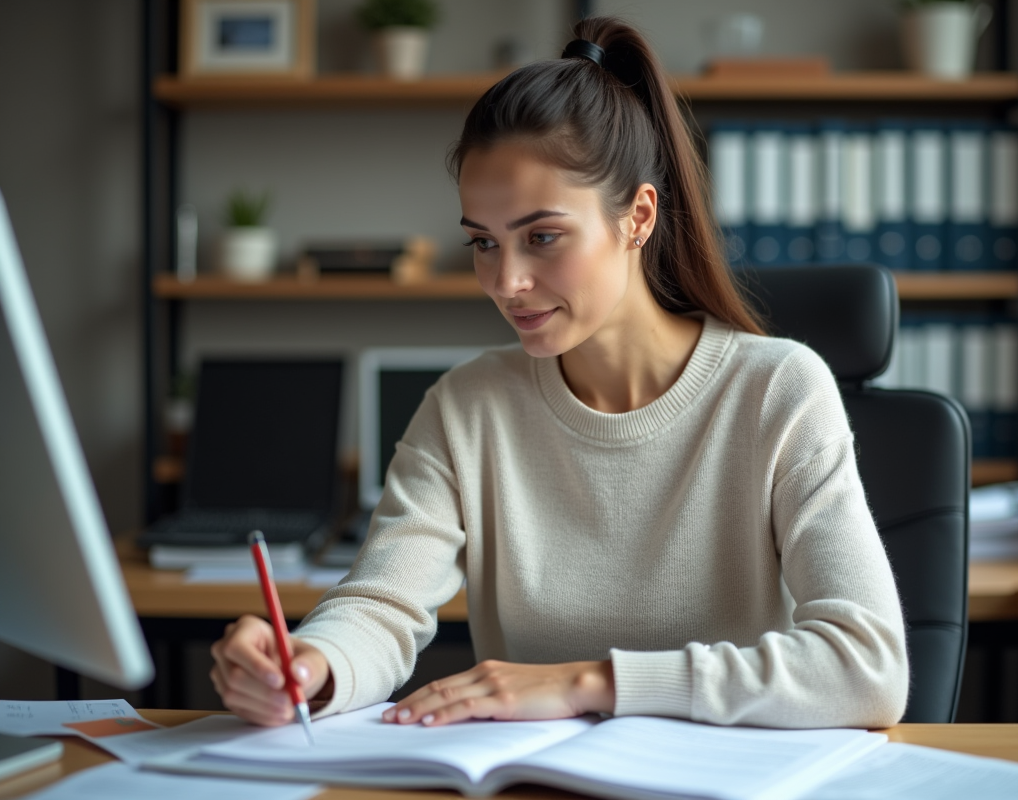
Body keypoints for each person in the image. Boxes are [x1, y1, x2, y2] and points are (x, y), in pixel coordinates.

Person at [210, 15, 908, 731]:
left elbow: (868, 667)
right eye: (484, 242)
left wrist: (590, 682)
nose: (506, 282)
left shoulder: (778, 391)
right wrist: (310, 666)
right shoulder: (467, 408)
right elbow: (381, 607)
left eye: (542, 237)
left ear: (637, 217)